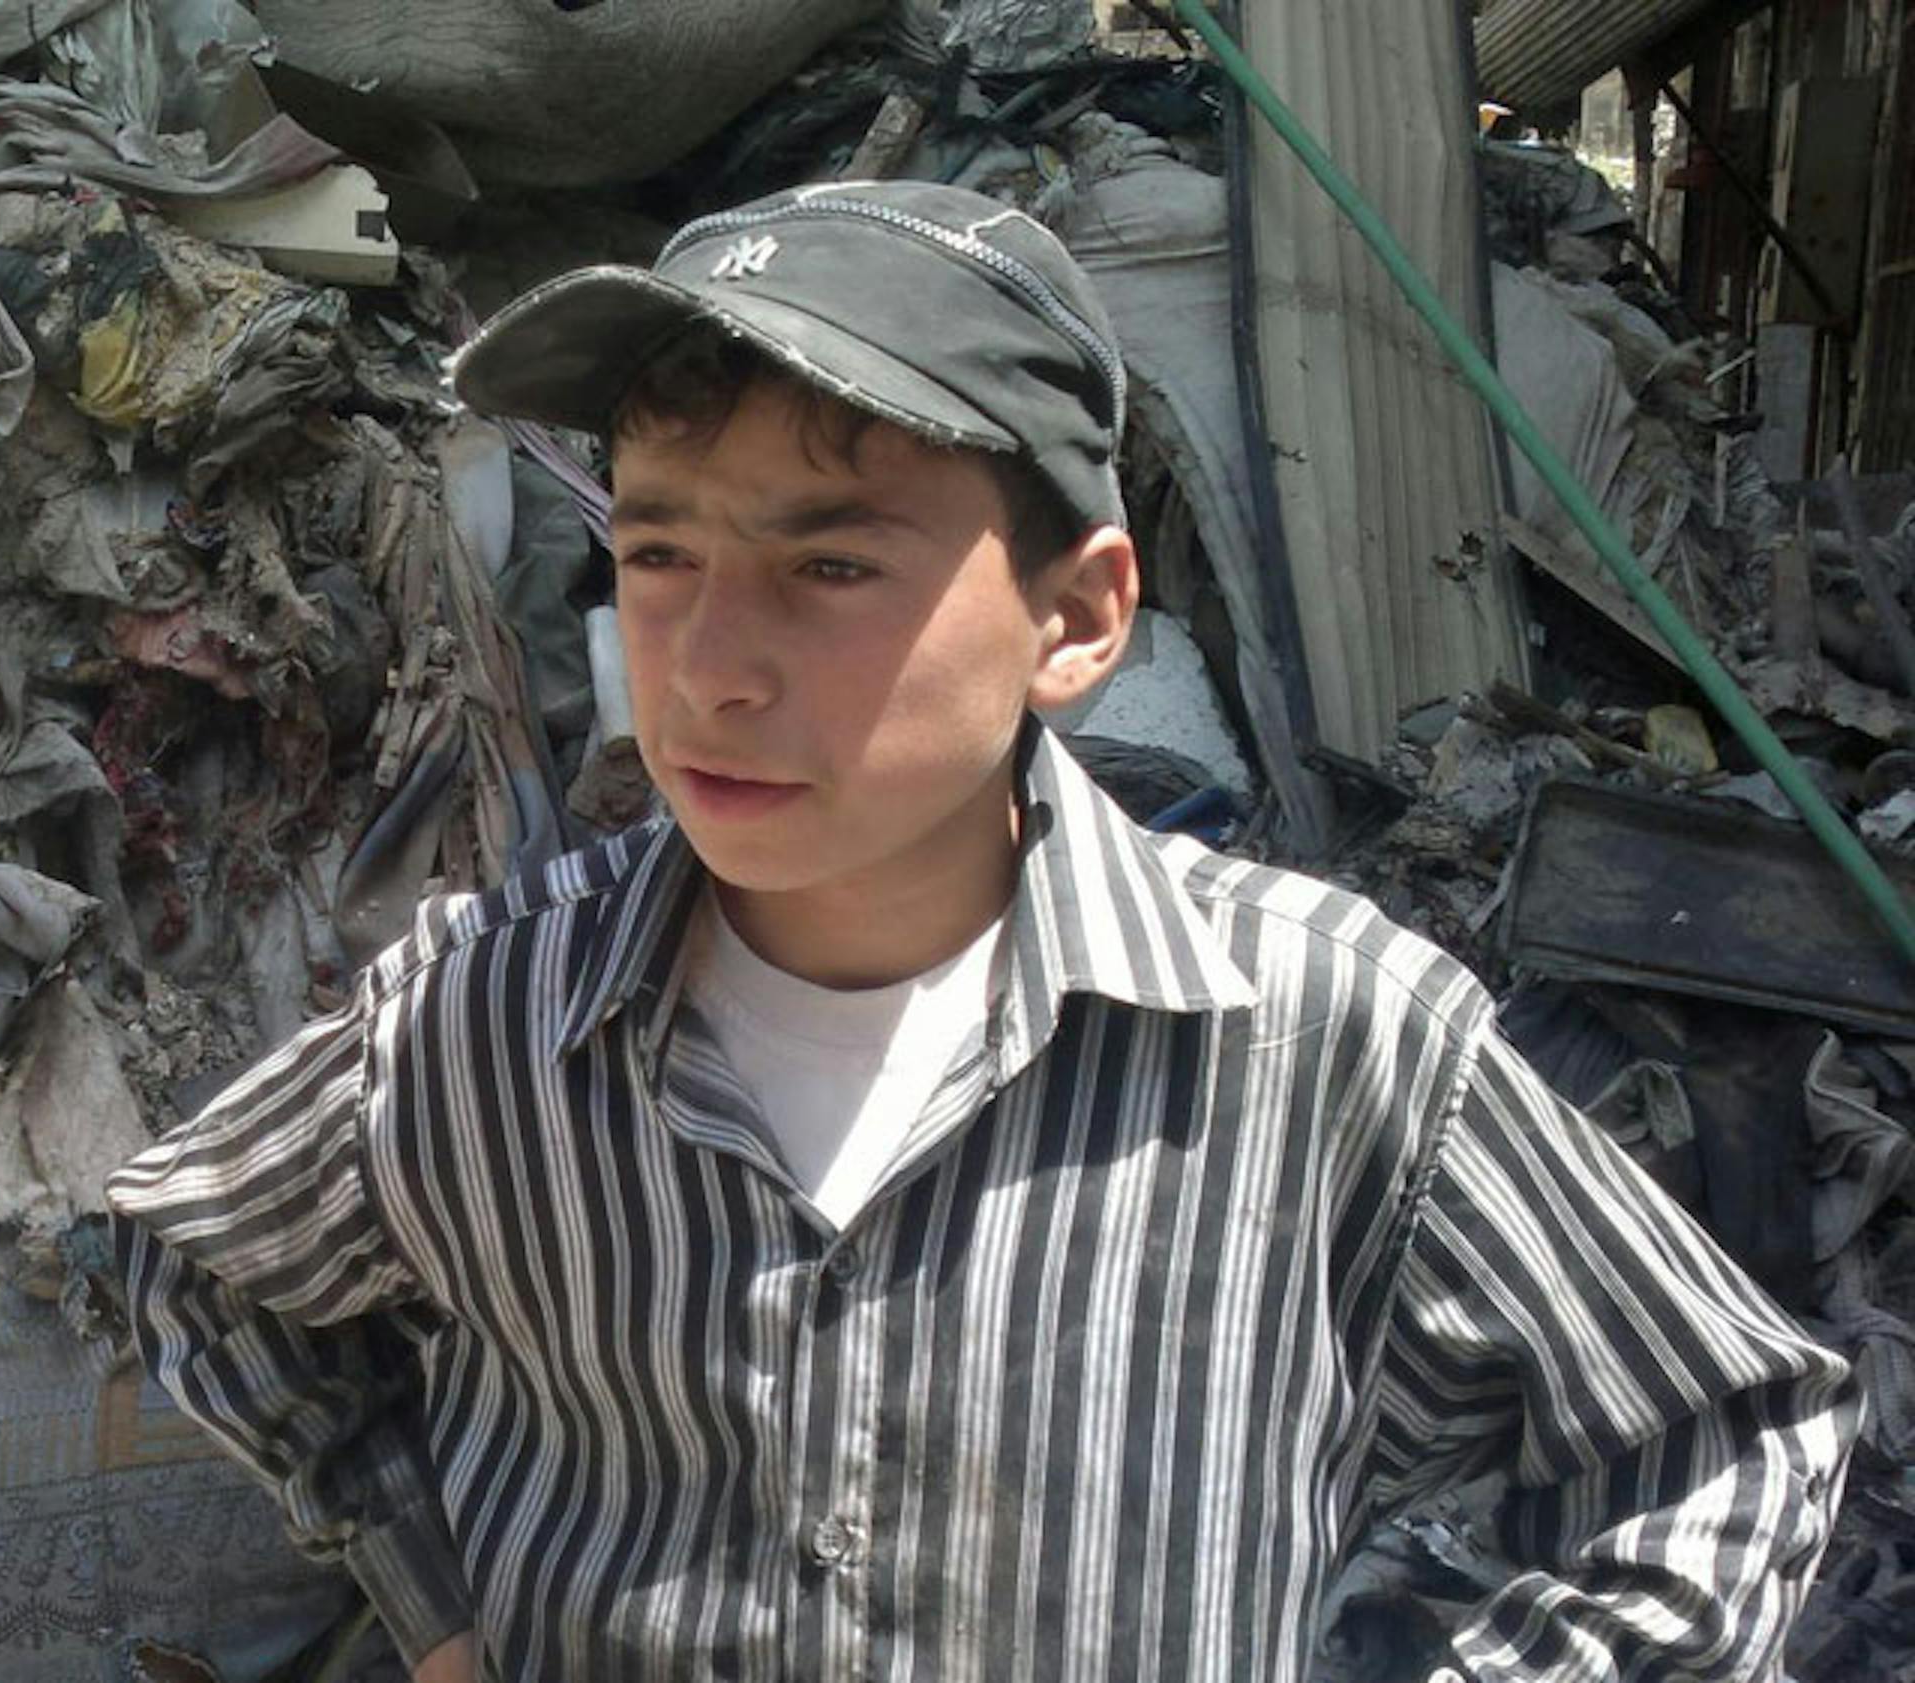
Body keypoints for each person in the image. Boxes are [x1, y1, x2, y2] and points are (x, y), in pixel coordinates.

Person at [104, 180, 1855, 1682]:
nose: (708, 665)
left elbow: (1723, 1438)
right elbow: (198, 1254)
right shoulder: (484, 1026)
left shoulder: (1321, 1043)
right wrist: (434, 1607)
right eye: (655, 556)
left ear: (1079, 617)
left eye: (833, 565)